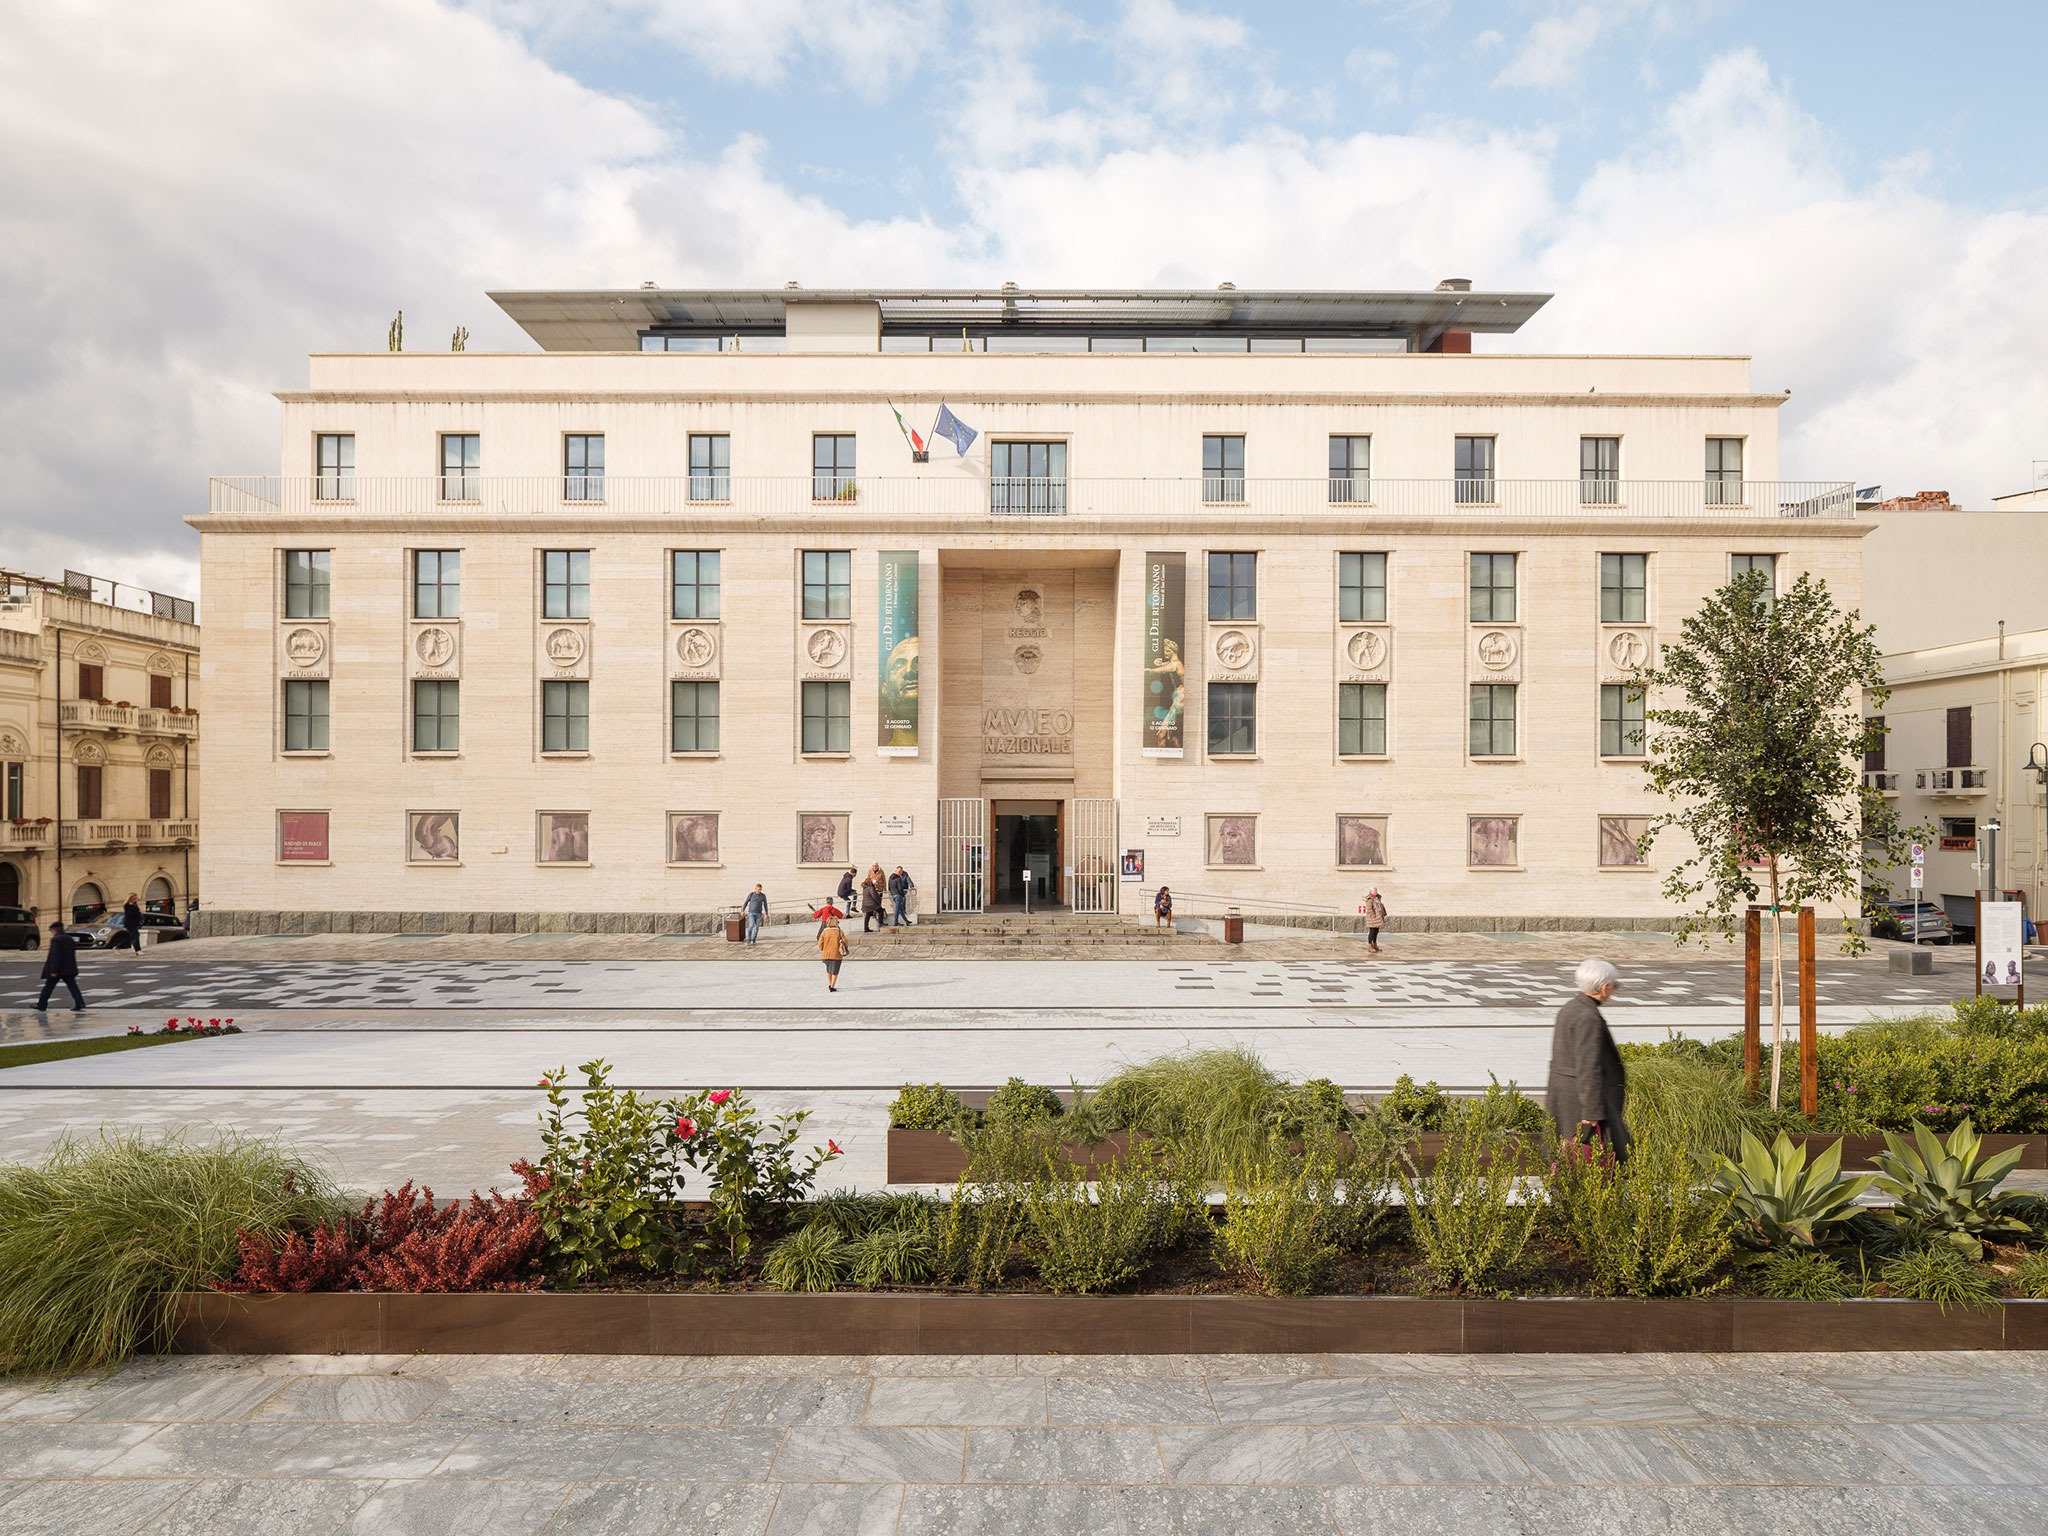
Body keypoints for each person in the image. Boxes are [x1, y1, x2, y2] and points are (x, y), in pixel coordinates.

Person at [1547, 958, 1629, 1160]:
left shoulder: (1570, 1007)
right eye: (1614, 986)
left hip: (1565, 1097)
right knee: (1599, 1161)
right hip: (1582, 1104)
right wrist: (1591, 1112)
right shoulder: (1588, 1017)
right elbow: (1588, 1067)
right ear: (1604, 988)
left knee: (1567, 1159)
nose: (1614, 990)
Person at [35, 920, 84, 1013]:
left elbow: (55, 955)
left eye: (51, 931)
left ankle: (41, 1004)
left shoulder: (56, 940)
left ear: (54, 930)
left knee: (48, 987)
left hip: (58, 969)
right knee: (73, 987)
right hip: (69, 968)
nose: (51, 933)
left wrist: (53, 970)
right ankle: (80, 1002)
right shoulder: (69, 938)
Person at [818, 912, 850, 992]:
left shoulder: (824, 931)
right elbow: (845, 941)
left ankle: (830, 984)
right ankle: (832, 986)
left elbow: (820, 943)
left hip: (826, 954)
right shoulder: (839, 931)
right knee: (835, 971)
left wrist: (823, 949)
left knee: (829, 970)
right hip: (837, 954)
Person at [1361, 887, 1388, 955]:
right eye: (1374, 891)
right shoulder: (1369, 899)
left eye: (1376, 890)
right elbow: (1369, 909)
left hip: (1378, 917)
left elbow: (1381, 906)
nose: (1376, 892)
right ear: (1371, 891)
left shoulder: (1377, 898)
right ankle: (1370, 945)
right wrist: (1373, 916)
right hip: (1373, 918)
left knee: (1376, 931)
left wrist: (1383, 912)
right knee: (1372, 931)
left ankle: (1375, 944)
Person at [860, 864, 885, 933]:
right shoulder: (871, 888)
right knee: (880, 911)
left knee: (867, 915)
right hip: (871, 905)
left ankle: (866, 928)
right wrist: (879, 901)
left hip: (865, 905)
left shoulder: (864, 888)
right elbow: (875, 896)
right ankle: (880, 923)